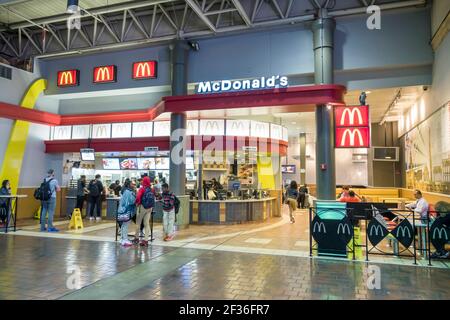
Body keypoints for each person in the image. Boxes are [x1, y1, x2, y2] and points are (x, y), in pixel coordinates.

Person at [134, 176, 154, 246]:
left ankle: (136, 238)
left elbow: (138, 197)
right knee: (146, 223)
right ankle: (146, 240)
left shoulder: (142, 189)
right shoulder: (151, 189)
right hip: (150, 208)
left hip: (142, 207)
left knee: (138, 222)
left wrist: (137, 203)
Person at [118, 180, 137, 247]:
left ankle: (122, 239)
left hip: (122, 210)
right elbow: (132, 201)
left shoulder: (125, 191)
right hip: (127, 211)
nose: (134, 185)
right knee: (125, 225)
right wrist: (135, 196)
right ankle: (125, 240)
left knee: (123, 225)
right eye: (133, 184)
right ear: (129, 185)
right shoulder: (130, 192)